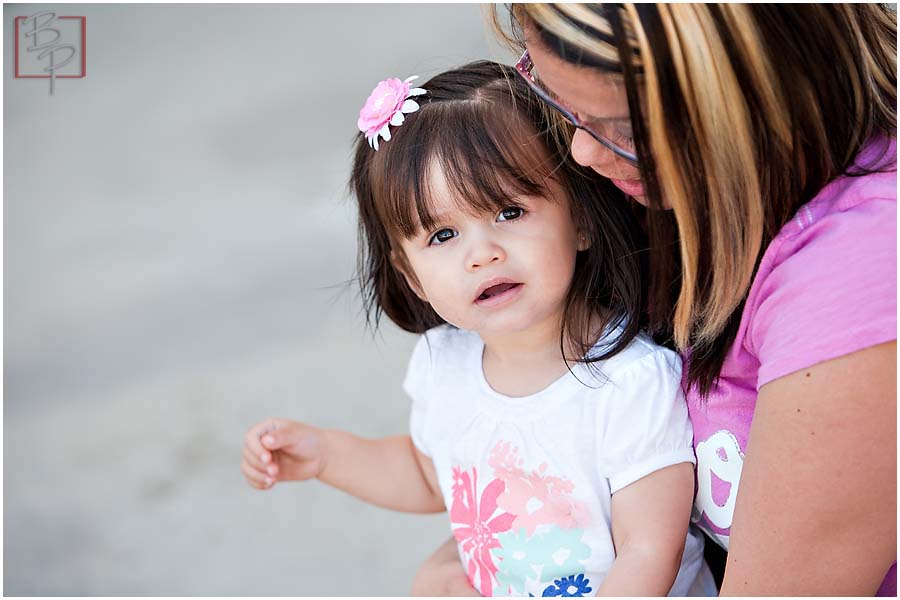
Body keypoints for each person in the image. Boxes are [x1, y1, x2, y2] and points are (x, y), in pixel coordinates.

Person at [240, 60, 717, 596]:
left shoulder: (630, 383)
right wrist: (326, 454)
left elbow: (649, 548)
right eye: (443, 235)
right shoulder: (445, 365)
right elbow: (428, 474)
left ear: (579, 219)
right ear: (411, 276)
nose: (482, 254)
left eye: (509, 212)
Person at [475, 3, 895, 596]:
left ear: (755, 92)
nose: (582, 153)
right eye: (558, 100)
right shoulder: (673, 188)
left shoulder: (863, 278)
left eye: (623, 129)